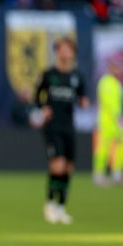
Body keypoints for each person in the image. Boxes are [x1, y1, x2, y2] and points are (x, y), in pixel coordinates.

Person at [35, 37, 90, 224]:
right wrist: (43, 107)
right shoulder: (49, 74)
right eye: (62, 49)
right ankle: (49, 204)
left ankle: (61, 207)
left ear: (72, 52)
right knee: (57, 165)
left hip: (69, 127)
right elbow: (38, 95)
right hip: (53, 127)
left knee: (68, 168)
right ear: (57, 52)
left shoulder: (77, 76)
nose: (65, 53)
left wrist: (84, 102)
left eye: (69, 49)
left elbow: (83, 97)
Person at [93, 61, 123, 185]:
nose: (118, 70)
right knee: (102, 148)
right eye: (116, 67)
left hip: (116, 122)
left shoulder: (116, 83)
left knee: (119, 146)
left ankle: (117, 173)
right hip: (107, 122)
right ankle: (99, 174)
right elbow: (109, 103)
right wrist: (117, 116)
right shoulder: (105, 82)